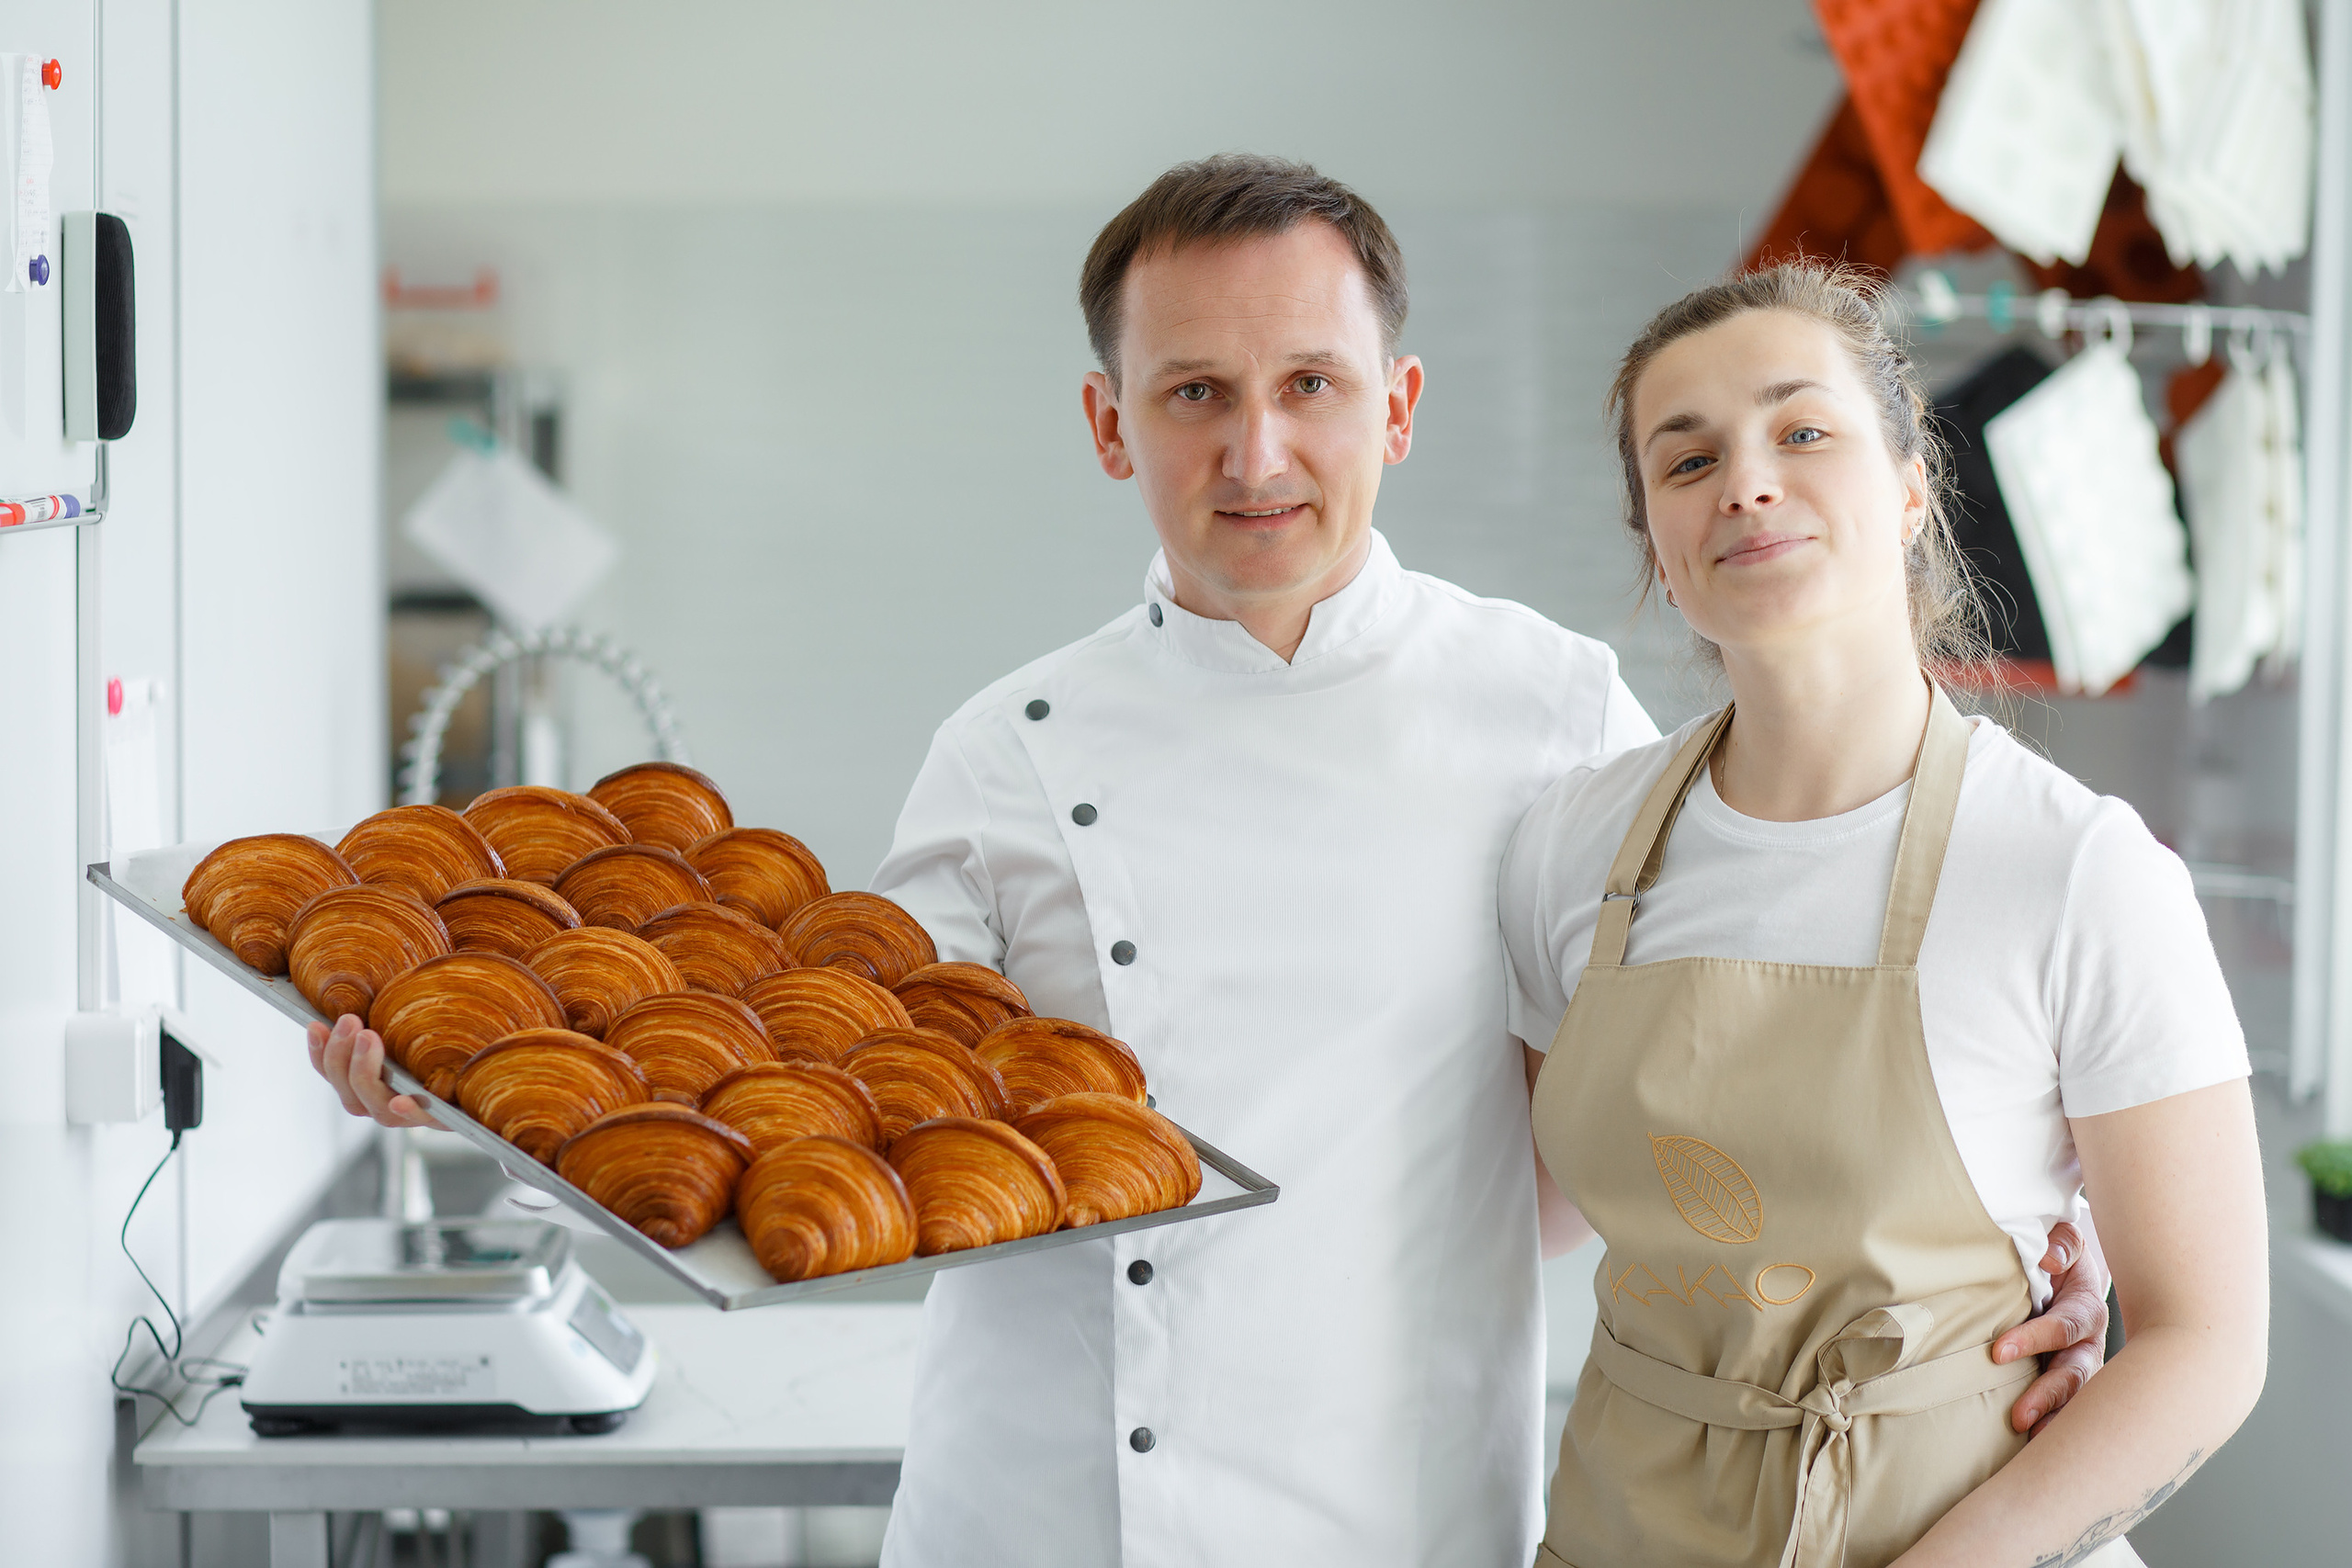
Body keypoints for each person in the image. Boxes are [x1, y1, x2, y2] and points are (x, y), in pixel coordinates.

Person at [302, 159, 2110, 1565]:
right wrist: (477, 1088)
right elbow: (797, 1088)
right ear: (1109, 426)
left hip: (1399, 1512)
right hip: (1039, 1513)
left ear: (1393, 406)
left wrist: (2019, 1250)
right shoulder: (1003, 749)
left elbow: (1713, 1067)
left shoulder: (1549, 711)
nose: (1256, 452)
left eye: (1308, 384)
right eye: (1190, 393)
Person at [1500, 261, 2267, 1567]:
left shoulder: (2075, 870)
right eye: (1686, 464)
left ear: (1912, 489)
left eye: (1803, 433)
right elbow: (1535, 1206)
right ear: (1660, 555)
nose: (1746, 482)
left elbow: (2207, 1344)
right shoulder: (1573, 847)